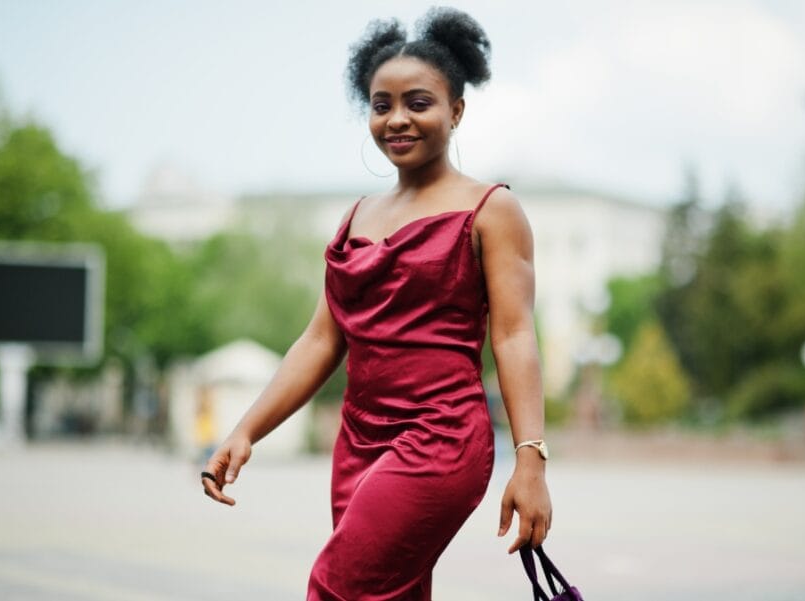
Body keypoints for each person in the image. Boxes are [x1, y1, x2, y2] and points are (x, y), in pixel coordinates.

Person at [200, 7, 552, 600]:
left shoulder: (492, 210)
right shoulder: (355, 217)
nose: (397, 119)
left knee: (335, 587)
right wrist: (245, 431)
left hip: (441, 437)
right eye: (381, 104)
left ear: (456, 111)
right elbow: (321, 339)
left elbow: (515, 336)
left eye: (419, 103)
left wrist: (531, 460)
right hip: (358, 443)